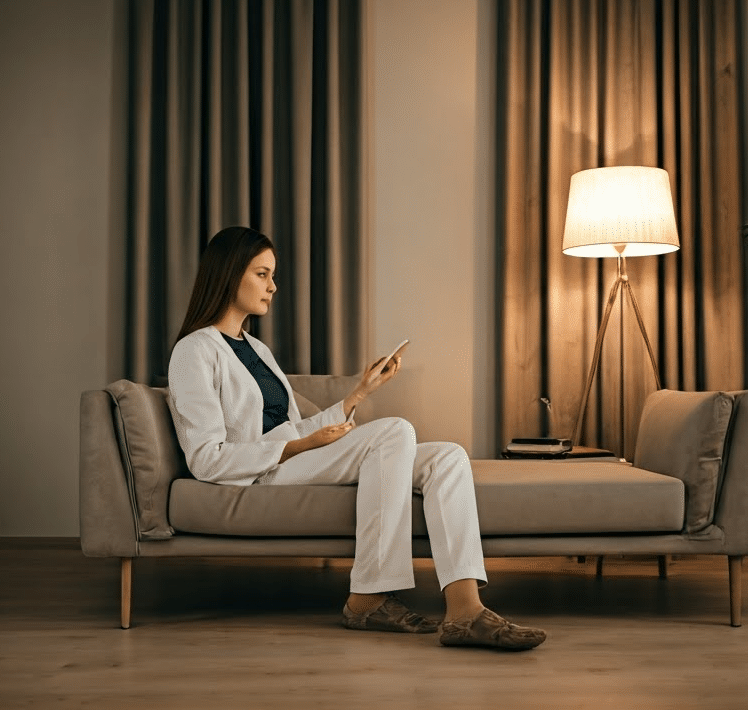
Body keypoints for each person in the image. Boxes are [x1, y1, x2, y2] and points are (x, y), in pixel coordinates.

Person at [166, 226, 546, 651]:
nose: (273, 286)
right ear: (229, 273)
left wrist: (359, 394)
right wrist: (296, 448)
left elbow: (292, 427)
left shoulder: (257, 349)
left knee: (447, 456)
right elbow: (206, 459)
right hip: (259, 473)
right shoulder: (194, 351)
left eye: (272, 275)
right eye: (261, 273)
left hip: (290, 458)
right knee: (395, 431)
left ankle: (465, 610)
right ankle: (368, 597)